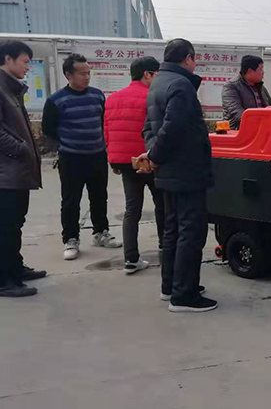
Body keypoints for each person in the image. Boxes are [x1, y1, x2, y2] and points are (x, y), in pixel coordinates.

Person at [138, 38, 217, 313]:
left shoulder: (158, 83)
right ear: (188, 58)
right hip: (187, 170)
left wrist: (153, 154)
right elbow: (173, 128)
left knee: (172, 229)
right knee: (191, 232)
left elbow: (149, 128)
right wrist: (156, 156)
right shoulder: (181, 85)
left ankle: (171, 286)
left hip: (170, 171)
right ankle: (184, 295)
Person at [42, 53, 121, 261]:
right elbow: (48, 129)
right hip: (71, 158)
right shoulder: (56, 100)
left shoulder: (97, 95)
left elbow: (102, 121)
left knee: (99, 196)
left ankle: (101, 232)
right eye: (82, 73)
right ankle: (71, 239)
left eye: (88, 73)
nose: (87, 77)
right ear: (69, 75)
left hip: (97, 155)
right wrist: (66, 145)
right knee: (71, 200)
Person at [104, 56, 164, 275]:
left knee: (132, 210)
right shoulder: (152, 97)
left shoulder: (112, 99)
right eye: (156, 74)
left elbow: (107, 132)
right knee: (162, 204)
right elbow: (157, 130)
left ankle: (130, 259)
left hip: (125, 162)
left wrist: (113, 160)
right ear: (147, 74)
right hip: (149, 159)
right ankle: (165, 247)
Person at [0, 40, 46, 297]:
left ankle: (15, 269)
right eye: (25, 61)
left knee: (15, 224)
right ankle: (4, 280)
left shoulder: (10, 88)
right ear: (8, 59)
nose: (28, 67)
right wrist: (21, 149)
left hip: (14, 172)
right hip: (5, 174)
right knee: (5, 227)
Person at [221, 55, 271, 129]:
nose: (263, 72)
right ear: (250, 71)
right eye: (260, 69)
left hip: (261, 130)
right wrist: (258, 123)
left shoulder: (261, 87)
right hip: (238, 131)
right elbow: (237, 113)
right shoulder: (231, 86)